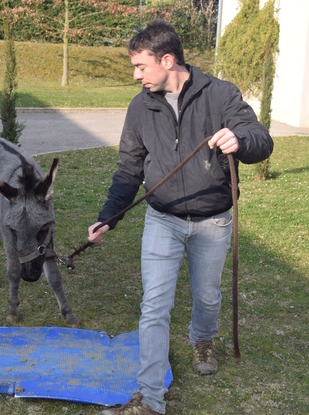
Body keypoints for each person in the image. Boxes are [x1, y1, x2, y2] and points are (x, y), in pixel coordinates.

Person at [88, 20, 274, 415]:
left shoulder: (221, 95)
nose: (135, 75)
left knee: (206, 296)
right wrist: (109, 217)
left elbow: (261, 140)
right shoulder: (140, 106)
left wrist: (240, 140)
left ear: (167, 60)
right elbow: (128, 169)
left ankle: (202, 339)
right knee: (154, 304)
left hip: (213, 220)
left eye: (141, 66)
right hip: (162, 218)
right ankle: (150, 399)